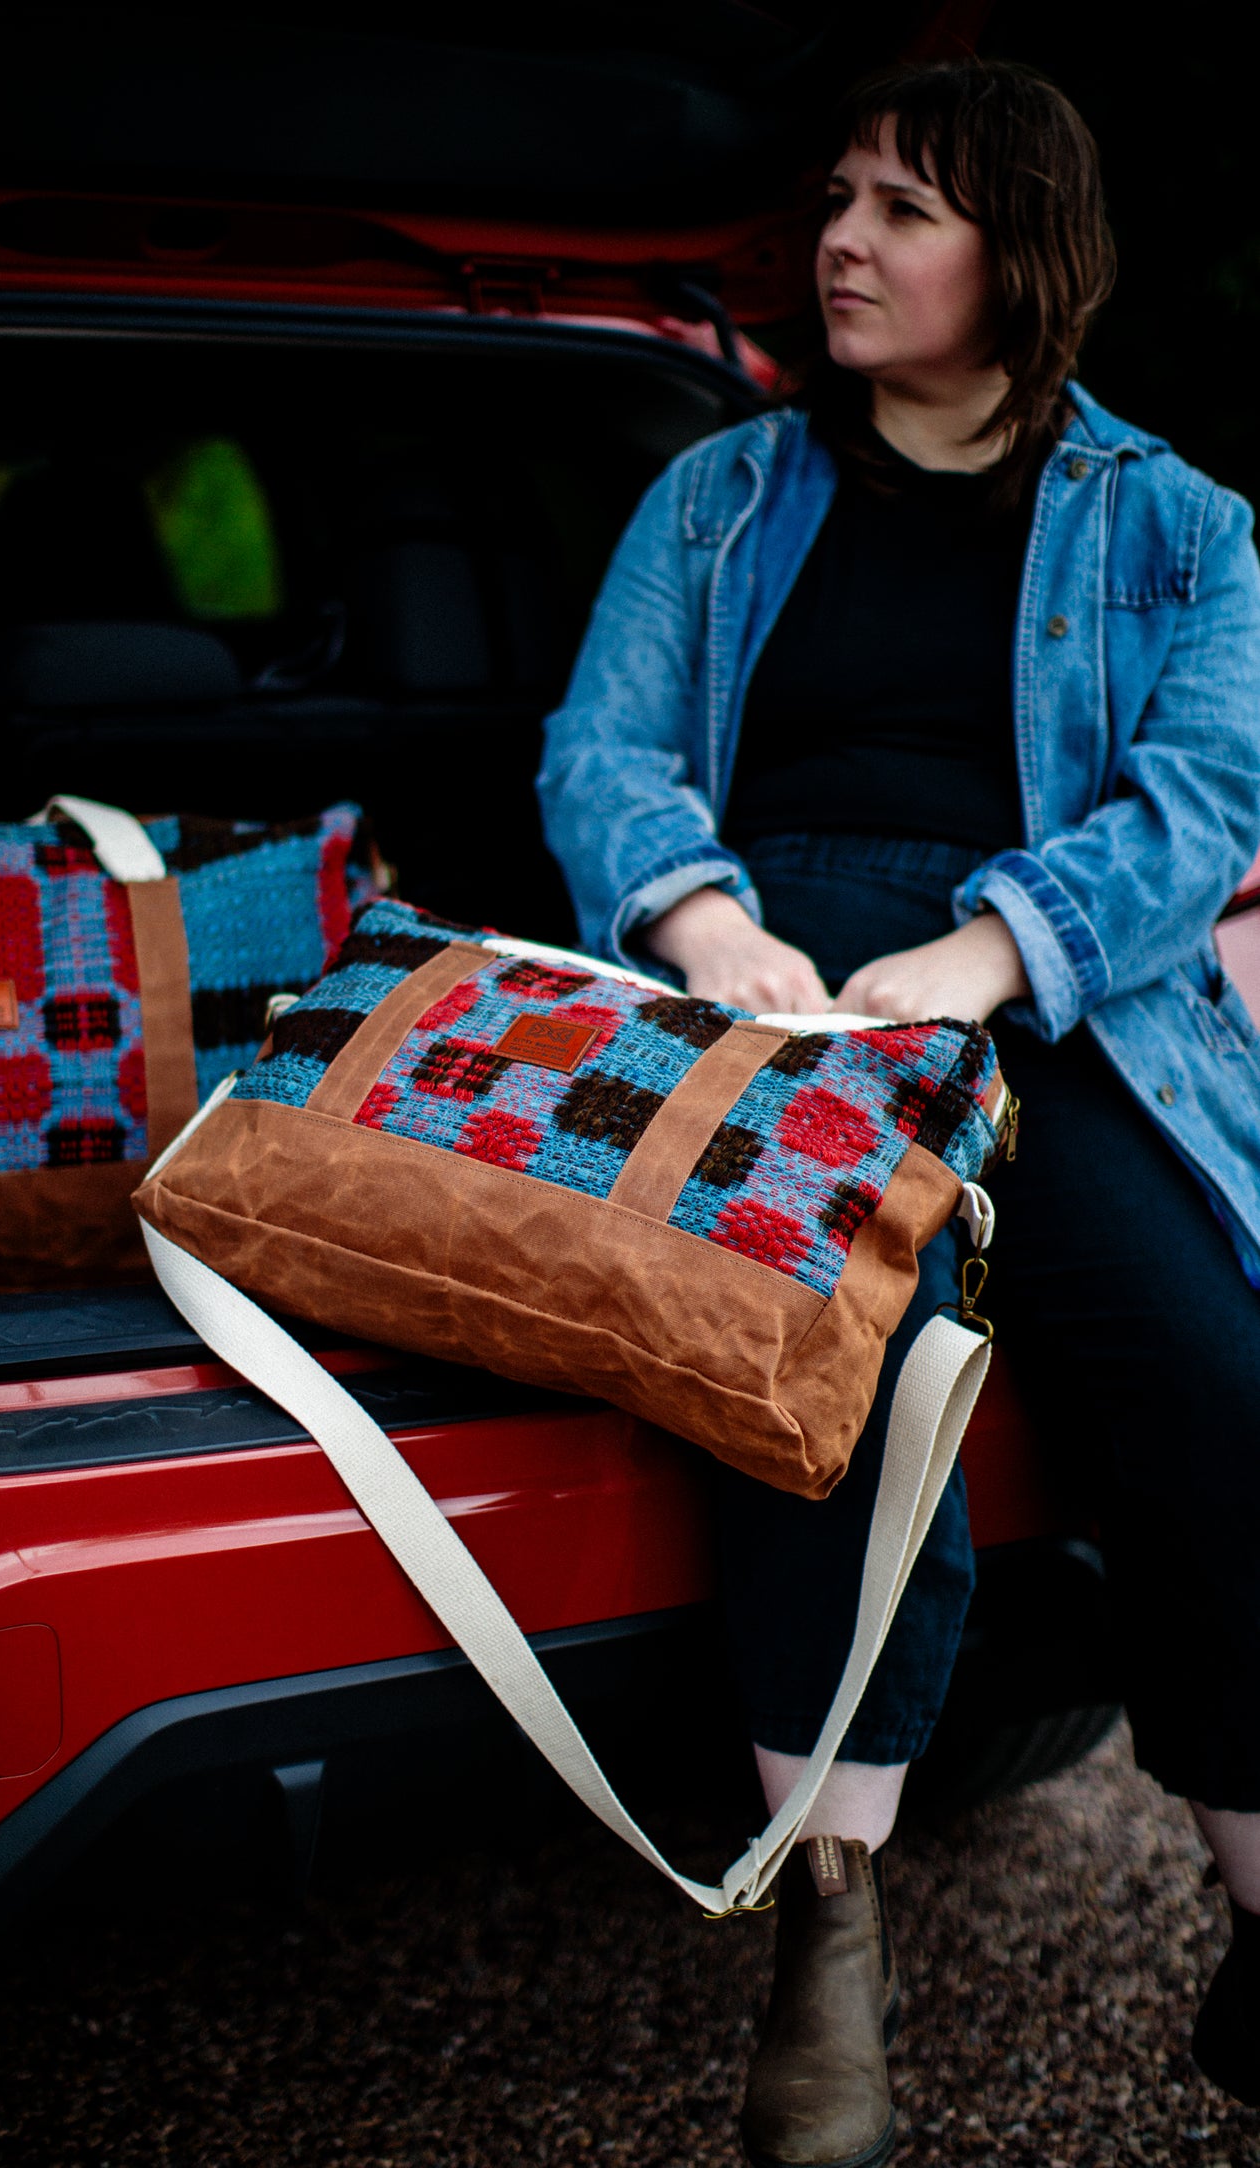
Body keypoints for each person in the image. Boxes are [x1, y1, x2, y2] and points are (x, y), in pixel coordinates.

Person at [538, 57, 1260, 2168]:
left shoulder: (1187, 524)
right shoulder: (721, 493)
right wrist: (703, 916)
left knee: (1220, 1386)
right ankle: (825, 1940)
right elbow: (603, 747)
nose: (840, 242)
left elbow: (1201, 809)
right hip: (773, 997)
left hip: (1064, 1008)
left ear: (1018, 258)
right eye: (837, 196)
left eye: (902, 210)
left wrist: (984, 955)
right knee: (836, 1362)